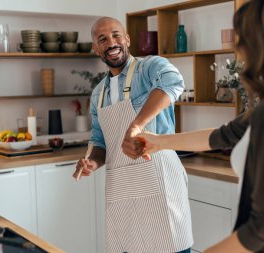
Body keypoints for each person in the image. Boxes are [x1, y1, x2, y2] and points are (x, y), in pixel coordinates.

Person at [136, 1, 264, 252]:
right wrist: (158, 141)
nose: (239, 48)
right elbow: (221, 136)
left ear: (262, 43)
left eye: (242, 38)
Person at [73, 17, 193, 253]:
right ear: (96, 48)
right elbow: (100, 142)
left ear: (126, 39)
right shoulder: (98, 94)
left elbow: (173, 83)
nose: (111, 42)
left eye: (116, 35)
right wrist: (91, 162)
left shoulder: (150, 68)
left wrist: (135, 126)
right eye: (103, 39)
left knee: (172, 246)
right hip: (123, 192)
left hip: (160, 183)